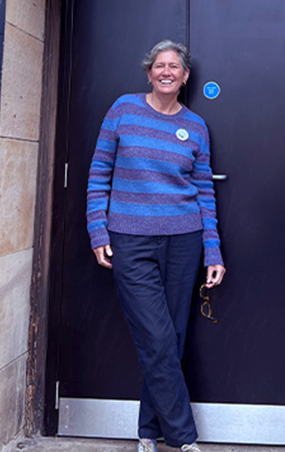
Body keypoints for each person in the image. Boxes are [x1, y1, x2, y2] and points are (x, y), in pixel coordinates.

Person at [87, 39, 225, 452]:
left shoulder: (196, 126)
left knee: (172, 336)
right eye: (159, 66)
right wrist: (98, 231)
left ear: (184, 78)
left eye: (175, 67)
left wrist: (213, 250)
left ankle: (148, 432)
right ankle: (183, 438)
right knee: (158, 336)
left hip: (184, 241)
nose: (167, 72)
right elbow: (98, 175)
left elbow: (204, 193)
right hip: (130, 240)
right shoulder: (123, 110)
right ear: (149, 73)